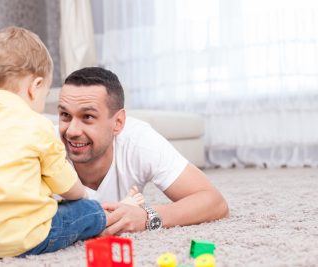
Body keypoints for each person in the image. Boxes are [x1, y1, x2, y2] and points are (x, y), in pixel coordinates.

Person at [0, 27, 123, 258]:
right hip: (25, 239)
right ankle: (99, 221)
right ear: (35, 86)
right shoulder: (38, 126)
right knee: (85, 211)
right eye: (46, 94)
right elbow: (69, 189)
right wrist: (84, 196)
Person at [57, 67, 229, 235]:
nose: (72, 131)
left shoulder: (139, 141)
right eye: (65, 115)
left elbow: (215, 203)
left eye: (87, 117)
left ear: (118, 122)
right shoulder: (43, 145)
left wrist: (147, 216)